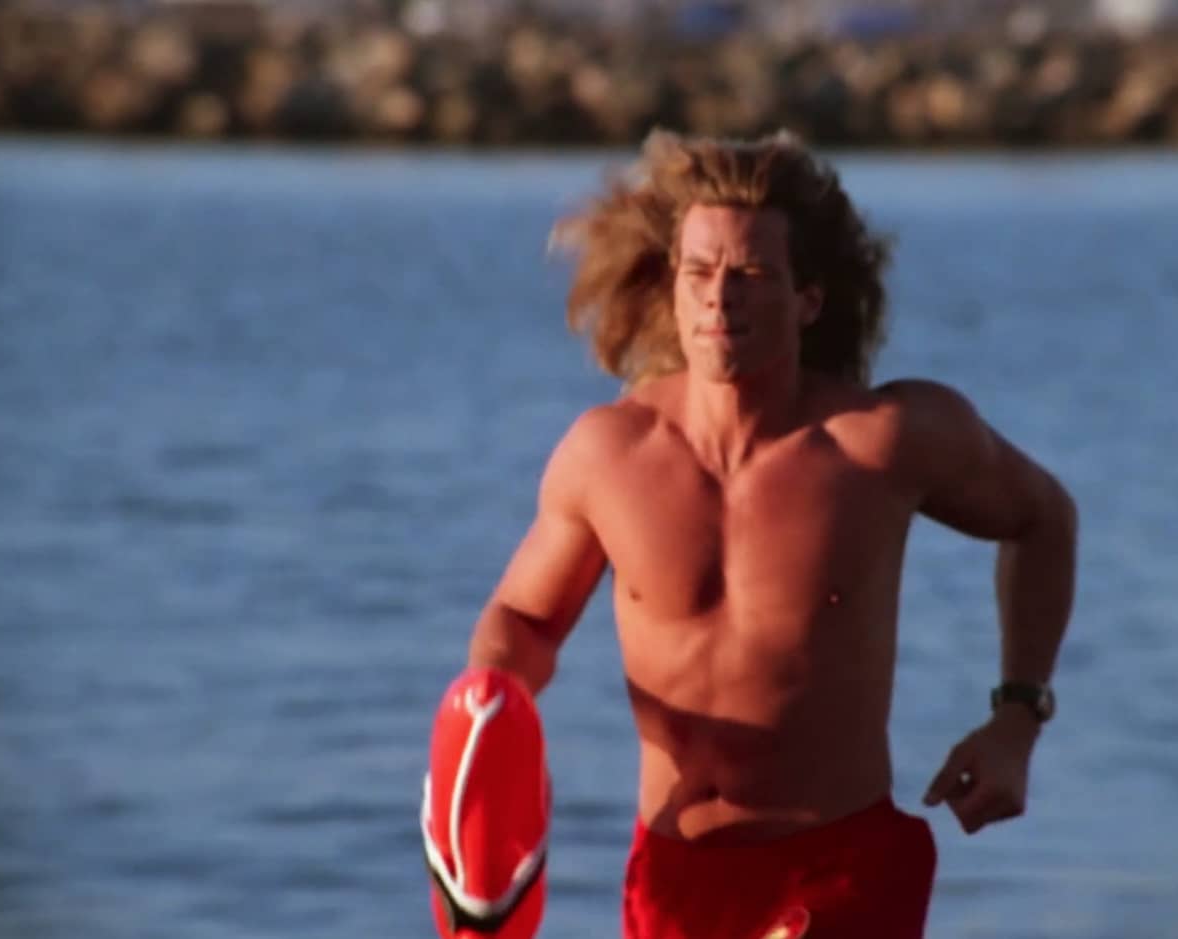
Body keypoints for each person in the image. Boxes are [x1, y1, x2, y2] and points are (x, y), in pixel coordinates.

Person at [460, 129, 1078, 938]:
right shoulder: (608, 455)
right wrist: (489, 715)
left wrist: (1017, 718)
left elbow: (1043, 517)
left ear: (807, 299)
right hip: (672, 876)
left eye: (750, 274)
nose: (720, 298)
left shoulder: (883, 440)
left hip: (842, 868)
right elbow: (526, 619)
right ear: (673, 291)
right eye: (700, 273)